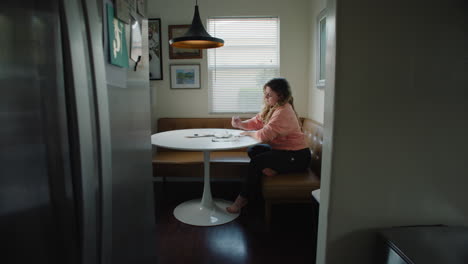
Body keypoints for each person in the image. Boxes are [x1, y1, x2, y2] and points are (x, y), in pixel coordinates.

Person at [226, 78, 311, 214]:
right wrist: (240, 124)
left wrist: (248, 134)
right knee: (254, 149)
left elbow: (263, 136)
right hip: (284, 152)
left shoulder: (283, 111)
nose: (265, 97)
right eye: (265, 93)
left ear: (281, 96)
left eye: (269, 94)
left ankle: (242, 199)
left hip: (298, 157)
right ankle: (272, 170)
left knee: (256, 161)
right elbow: (256, 122)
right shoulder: (272, 108)